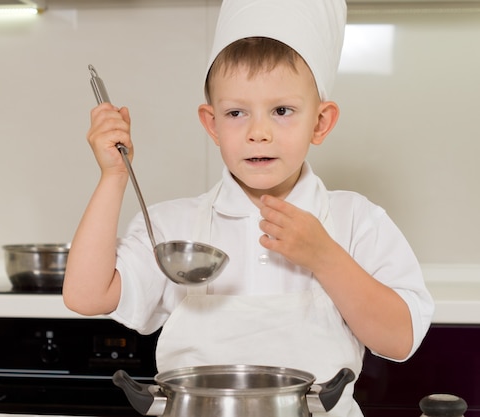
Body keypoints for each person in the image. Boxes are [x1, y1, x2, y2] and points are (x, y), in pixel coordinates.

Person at [63, 1, 434, 416]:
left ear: (320, 122)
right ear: (212, 124)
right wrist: (113, 176)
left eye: (282, 111)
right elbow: (85, 296)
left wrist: (325, 257)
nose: (258, 132)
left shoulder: (355, 221)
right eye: (236, 112)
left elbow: (399, 340)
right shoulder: (175, 226)